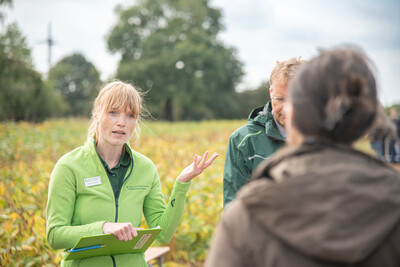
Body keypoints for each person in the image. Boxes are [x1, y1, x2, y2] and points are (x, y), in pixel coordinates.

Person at [206, 47, 400, 267]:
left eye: (291, 102)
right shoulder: (392, 199)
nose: (285, 110)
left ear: (297, 112)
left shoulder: (245, 215)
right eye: (280, 99)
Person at [46, 81, 219, 267]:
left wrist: (181, 184)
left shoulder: (145, 168)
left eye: (130, 115)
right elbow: (55, 235)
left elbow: (162, 234)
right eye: (113, 113)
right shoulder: (69, 166)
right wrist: (103, 228)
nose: (121, 122)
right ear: (96, 114)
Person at [223, 57, 304, 207]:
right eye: (280, 99)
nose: (286, 107)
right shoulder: (243, 140)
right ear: (270, 93)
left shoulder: (325, 138)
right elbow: (233, 204)